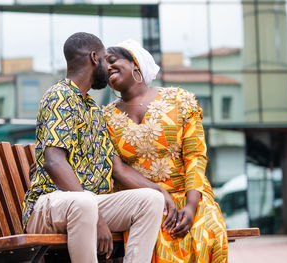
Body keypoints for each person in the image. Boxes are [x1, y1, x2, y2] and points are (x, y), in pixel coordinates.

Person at [22, 32, 166, 263]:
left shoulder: (92, 108)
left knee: (150, 200)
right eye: (105, 59)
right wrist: (98, 219)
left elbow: (116, 167)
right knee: (85, 202)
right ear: (93, 58)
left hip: (86, 206)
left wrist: (161, 190)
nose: (108, 68)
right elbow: (53, 161)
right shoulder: (59, 96)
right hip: (49, 208)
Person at [102, 39, 228, 262]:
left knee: (204, 225)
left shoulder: (180, 100)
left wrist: (190, 206)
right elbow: (117, 169)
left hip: (189, 194)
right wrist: (158, 195)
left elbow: (195, 156)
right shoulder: (105, 118)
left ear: (135, 64)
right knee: (154, 227)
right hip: (142, 201)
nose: (108, 67)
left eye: (112, 60)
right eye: (104, 65)